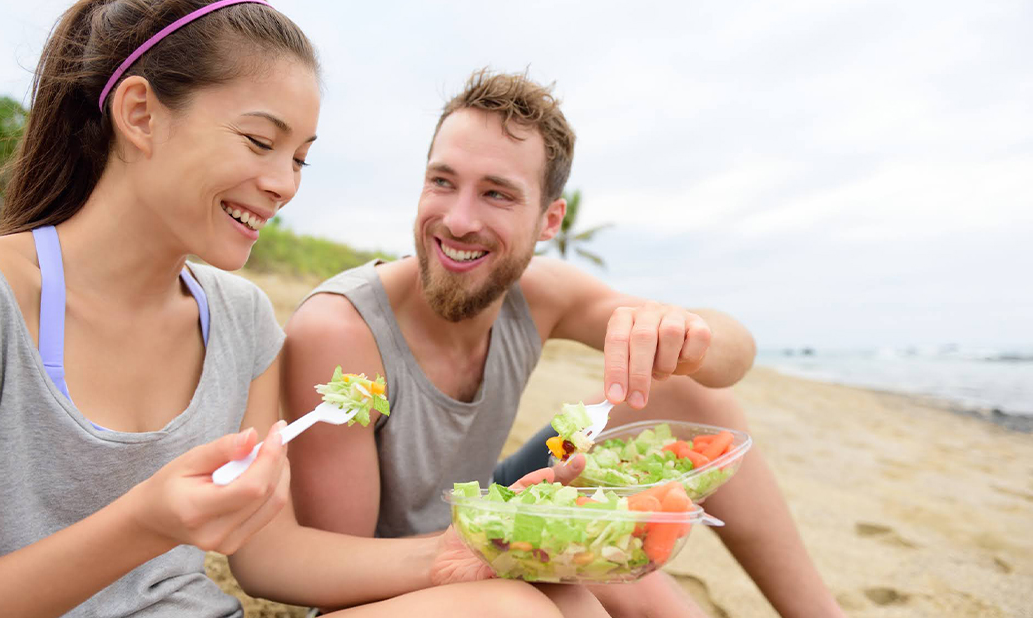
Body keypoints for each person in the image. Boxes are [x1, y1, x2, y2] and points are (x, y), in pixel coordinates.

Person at [0, 3, 608, 617]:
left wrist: (469, 548)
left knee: (549, 601)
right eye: (260, 142)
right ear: (140, 114)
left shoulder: (240, 317)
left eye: (301, 160)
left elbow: (269, 557)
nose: (283, 184)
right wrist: (145, 522)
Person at [283, 70, 846, 617]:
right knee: (613, 591)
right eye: (443, 181)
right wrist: (522, 552)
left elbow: (735, 354)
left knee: (697, 399)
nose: (457, 219)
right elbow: (337, 584)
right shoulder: (343, 330)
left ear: (549, 221)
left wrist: (686, 335)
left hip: (490, 495)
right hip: (397, 572)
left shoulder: (541, 293)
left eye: (497, 194)